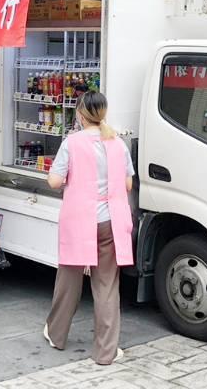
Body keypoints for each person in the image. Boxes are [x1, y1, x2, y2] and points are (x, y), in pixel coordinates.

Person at [44, 91, 134, 365]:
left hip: (79, 220)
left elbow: (55, 182)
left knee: (68, 279)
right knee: (106, 285)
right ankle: (106, 352)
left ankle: (56, 334)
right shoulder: (118, 143)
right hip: (111, 221)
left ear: (81, 115)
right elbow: (129, 184)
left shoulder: (72, 143)